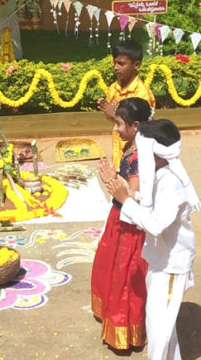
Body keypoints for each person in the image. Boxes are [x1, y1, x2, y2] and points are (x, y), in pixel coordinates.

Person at [106, 119, 198, 360]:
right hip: (160, 261)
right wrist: (122, 189)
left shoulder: (170, 183)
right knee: (162, 327)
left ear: (154, 153)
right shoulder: (161, 173)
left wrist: (125, 200)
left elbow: (156, 224)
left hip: (170, 266)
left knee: (159, 330)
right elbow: (146, 202)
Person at [91, 97, 152, 350]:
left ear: (135, 125)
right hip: (119, 217)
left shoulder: (139, 155)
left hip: (129, 224)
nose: (115, 129)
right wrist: (114, 178)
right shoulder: (135, 145)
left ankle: (125, 333)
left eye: (118, 123)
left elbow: (133, 196)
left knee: (125, 277)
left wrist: (112, 180)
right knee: (111, 267)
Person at [97, 39, 156, 170]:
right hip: (118, 153)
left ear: (136, 64)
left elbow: (143, 127)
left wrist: (115, 114)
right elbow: (111, 119)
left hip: (136, 157)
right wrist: (109, 113)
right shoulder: (114, 88)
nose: (116, 67)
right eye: (114, 63)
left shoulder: (142, 93)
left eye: (121, 64)